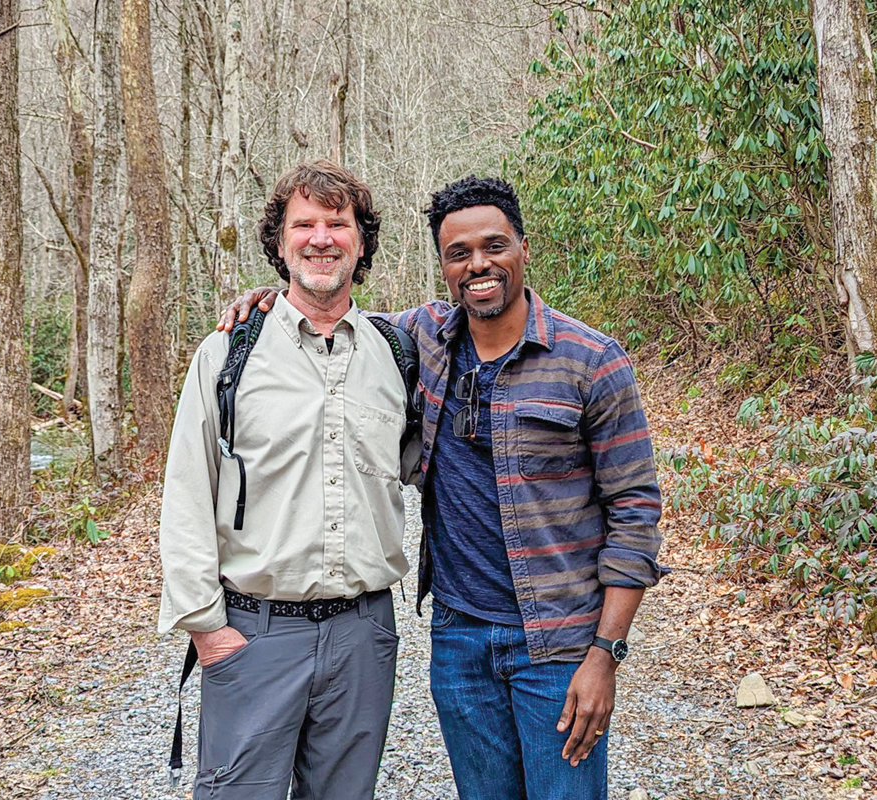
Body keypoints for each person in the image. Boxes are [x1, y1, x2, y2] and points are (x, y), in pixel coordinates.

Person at [219, 176, 666, 800]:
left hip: (561, 644)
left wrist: (605, 654)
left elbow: (636, 513)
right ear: (443, 266)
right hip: (459, 639)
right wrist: (267, 301)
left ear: (523, 248)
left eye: (494, 246)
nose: (478, 264)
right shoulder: (418, 340)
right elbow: (327, 310)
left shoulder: (591, 360)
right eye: (459, 253)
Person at [157, 160, 418, 800]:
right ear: (280, 242)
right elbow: (188, 492)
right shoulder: (227, 354)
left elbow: (430, 468)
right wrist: (205, 627)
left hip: (364, 634)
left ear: (362, 242)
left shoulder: (398, 352)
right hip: (253, 632)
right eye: (305, 224)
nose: (321, 238)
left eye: (338, 223)